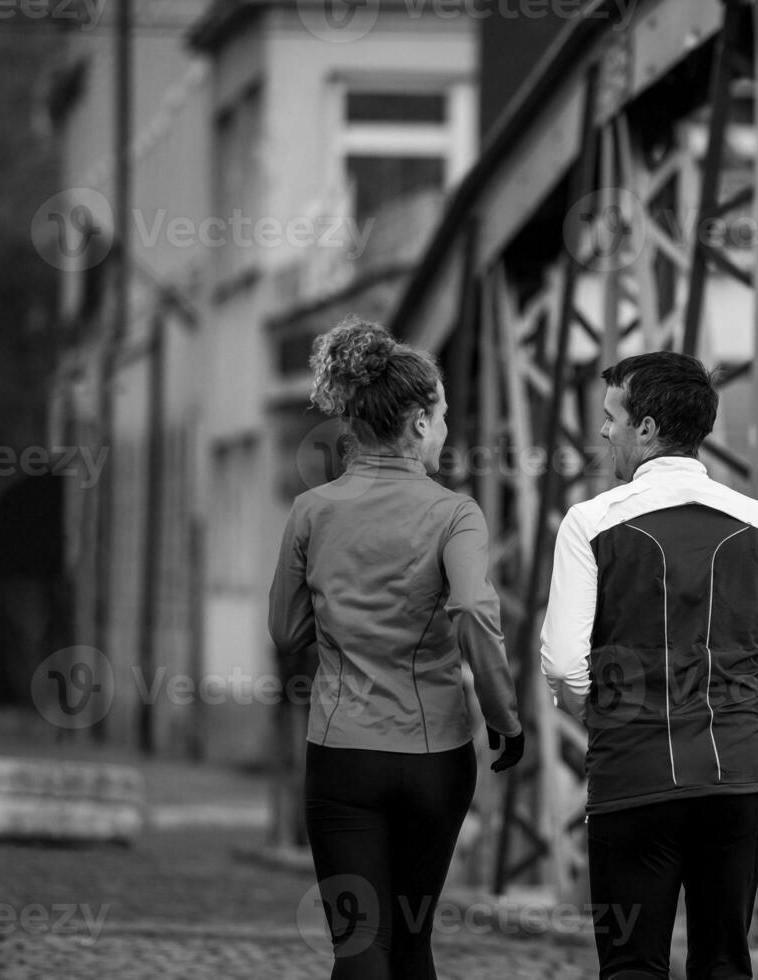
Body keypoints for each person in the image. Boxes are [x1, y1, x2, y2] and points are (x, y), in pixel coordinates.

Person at [540, 351, 758, 980]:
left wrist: (607, 719)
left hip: (632, 773)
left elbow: (561, 665)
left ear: (648, 428)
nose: (604, 431)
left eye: (612, 417)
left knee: (632, 964)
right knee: (723, 962)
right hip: (736, 773)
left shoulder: (591, 522)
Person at [269, 316, 524, 980]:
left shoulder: (312, 510)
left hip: (341, 754)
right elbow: (471, 609)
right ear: (416, 422)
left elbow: (285, 632)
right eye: (439, 416)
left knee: (358, 947)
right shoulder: (454, 514)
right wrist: (503, 718)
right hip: (435, 756)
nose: (442, 429)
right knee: (412, 945)